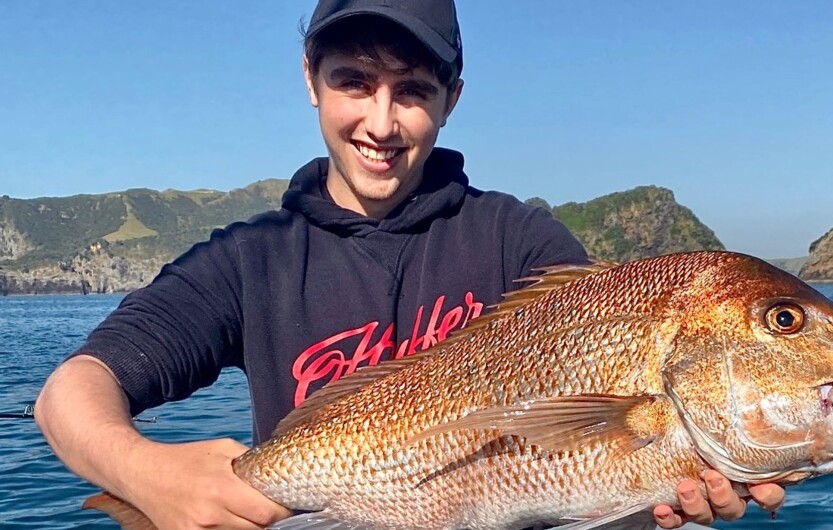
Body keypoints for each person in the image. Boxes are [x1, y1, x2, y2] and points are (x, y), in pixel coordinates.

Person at [34, 1, 785, 529]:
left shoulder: (520, 241)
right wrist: (145, 475)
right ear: (310, 79)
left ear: (452, 99)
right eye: (353, 81)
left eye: (414, 92)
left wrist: (668, 499)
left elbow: (595, 465)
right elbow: (71, 392)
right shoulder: (246, 261)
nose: (382, 122)